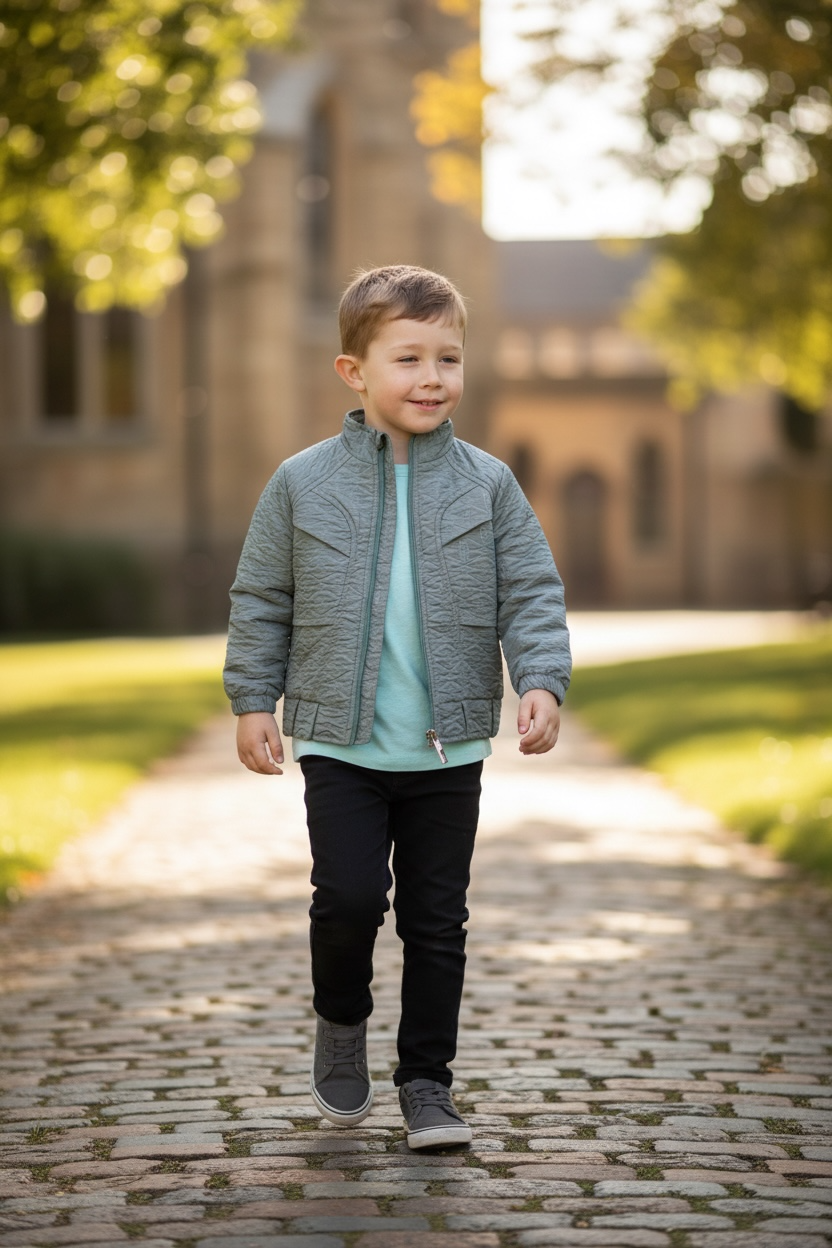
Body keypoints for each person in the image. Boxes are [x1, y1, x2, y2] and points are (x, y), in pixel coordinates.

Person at [223, 264, 571, 1150]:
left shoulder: (488, 484)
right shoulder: (301, 482)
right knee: (346, 899)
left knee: (436, 922)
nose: (432, 378)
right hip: (341, 744)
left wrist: (539, 678)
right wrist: (253, 698)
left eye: (448, 358)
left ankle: (427, 1083)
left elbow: (531, 591)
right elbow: (262, 597)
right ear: (354, 371)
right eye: (408, 358)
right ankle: (342, 1021)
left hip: (447, 749)